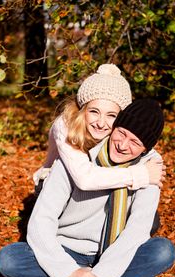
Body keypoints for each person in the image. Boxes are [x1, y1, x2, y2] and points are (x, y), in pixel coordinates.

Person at [0, 99, 175, 277]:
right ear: (114, 128)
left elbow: (136, 232)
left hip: (114, 252)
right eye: (121, 133)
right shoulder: (77, 158)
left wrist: (102, 275)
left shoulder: (150, 171)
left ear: (145, 149)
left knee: (163, 252)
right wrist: (70, 272)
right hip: (68, 248)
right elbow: (41, 221)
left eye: (134, 142)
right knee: (8, 260)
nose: (122, 145)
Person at [33, 63, 164, 193]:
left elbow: (141, 142)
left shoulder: (118, 130)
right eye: (94, 112)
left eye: (111, 115)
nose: (101, 123)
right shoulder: (65, 125)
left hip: (94, 179)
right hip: (55, 183)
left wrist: (155, 164)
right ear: (83, 109)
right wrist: (141, 174)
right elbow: (84, 179)